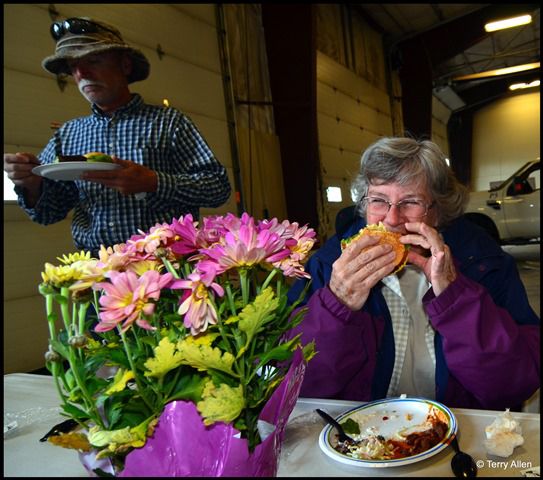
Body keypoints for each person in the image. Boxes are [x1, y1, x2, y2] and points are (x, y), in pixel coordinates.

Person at [288, 136, 540, 411]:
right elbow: (296, 387)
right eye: (379, 200)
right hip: (359, 435)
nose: (392, 219)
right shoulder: (328, 266)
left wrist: (456, 298)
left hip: (460, 431)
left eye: (410, 202)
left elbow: (513, 384)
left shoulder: (485, 263)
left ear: (437, 209)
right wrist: (337, 304)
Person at [4, 17, 231, 257]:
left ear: (125, 65)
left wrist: (154, 181)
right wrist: (31, 184)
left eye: (93, 60)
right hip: (98, 274)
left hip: (167, 269)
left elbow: (217, 187)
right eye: (73, 66)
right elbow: (49, 213)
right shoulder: (67, 135)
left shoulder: (169, 122)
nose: (82, 73)